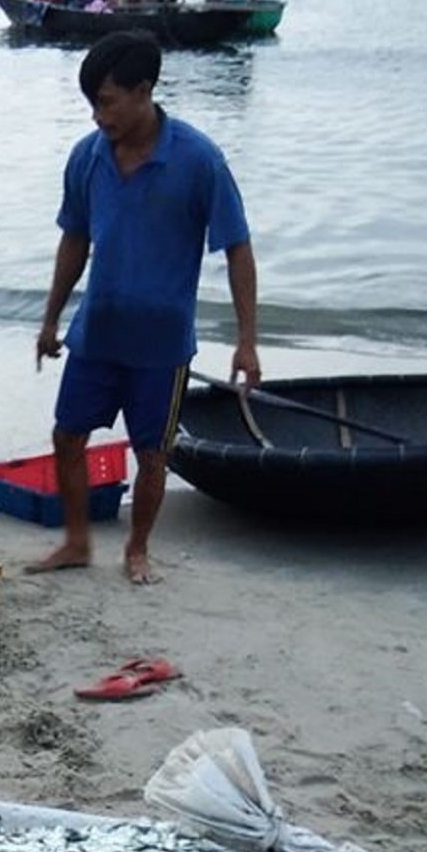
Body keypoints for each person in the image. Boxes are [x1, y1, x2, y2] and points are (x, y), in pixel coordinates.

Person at [30, 31, 260, 586]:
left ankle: (137, 550)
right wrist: (51, 318)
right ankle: (78, 541)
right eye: (91, 103)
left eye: (106, 102)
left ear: (144, 91)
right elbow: (74, 241)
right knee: (67, 436)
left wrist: (247, 340)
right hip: (98, 332)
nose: (97, 116)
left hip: (162, 344)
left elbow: (237, 249)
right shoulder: (86, 157)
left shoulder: (198, 159)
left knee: (152, 453)